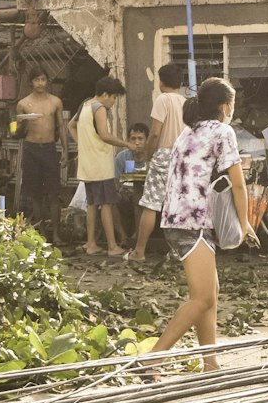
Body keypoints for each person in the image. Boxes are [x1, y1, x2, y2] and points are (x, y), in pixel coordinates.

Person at [151, 77, 260, 371]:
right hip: (193, 222)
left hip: (175, 218)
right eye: (232, 104)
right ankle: (152, 360)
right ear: (225, 106)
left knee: (210, 293)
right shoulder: (223, 132)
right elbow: (238, 185)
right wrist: (246, 223)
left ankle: (210, 362)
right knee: (201, 299)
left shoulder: (188, 132)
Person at [125, 63, 187, 262]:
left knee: (150, 204)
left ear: (161, 81)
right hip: (182, 156)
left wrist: (149, 154)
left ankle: (139, 251)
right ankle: (178, 252)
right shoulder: (185, 102)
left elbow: (155, 132)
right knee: (176, 205)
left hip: (164, 153)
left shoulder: (162, 99)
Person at [68, 75, 129, 257]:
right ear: (105, 94)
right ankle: (112, 246)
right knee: (107, 204)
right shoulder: (99, 108)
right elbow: (104, 135)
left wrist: (83, 145)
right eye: (114, 97)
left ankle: (91, 244)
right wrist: (126, 144)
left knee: (93, 204)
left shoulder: (85, 105)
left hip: (88, 165)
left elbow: (71, 126)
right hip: (101, 165)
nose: (114, 101)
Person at [15, 69, 67, 242]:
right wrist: (23, 123)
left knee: (53, 193)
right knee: (35, 194)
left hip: (49, 148)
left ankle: (57, 234)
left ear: (47, 81)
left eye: (43, 79)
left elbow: (61, 127)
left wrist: (65, 151)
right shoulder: (23, 104)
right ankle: (42, 234)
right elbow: (17, 133)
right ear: (31, 82)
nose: (40, 83)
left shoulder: (55, 102)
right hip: (31, 149)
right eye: (36, 80)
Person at [114, 122, 149, 247]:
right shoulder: (122, 157)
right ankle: (122, 236)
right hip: (125, 193)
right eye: (133, 139)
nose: (137, 142)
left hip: (147, 194)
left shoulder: (151, 157)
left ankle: (138, 236)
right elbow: (115, 183)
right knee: (109, 200)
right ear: (128, 140)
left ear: (147, 140)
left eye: (141, 139)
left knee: (138, 198)